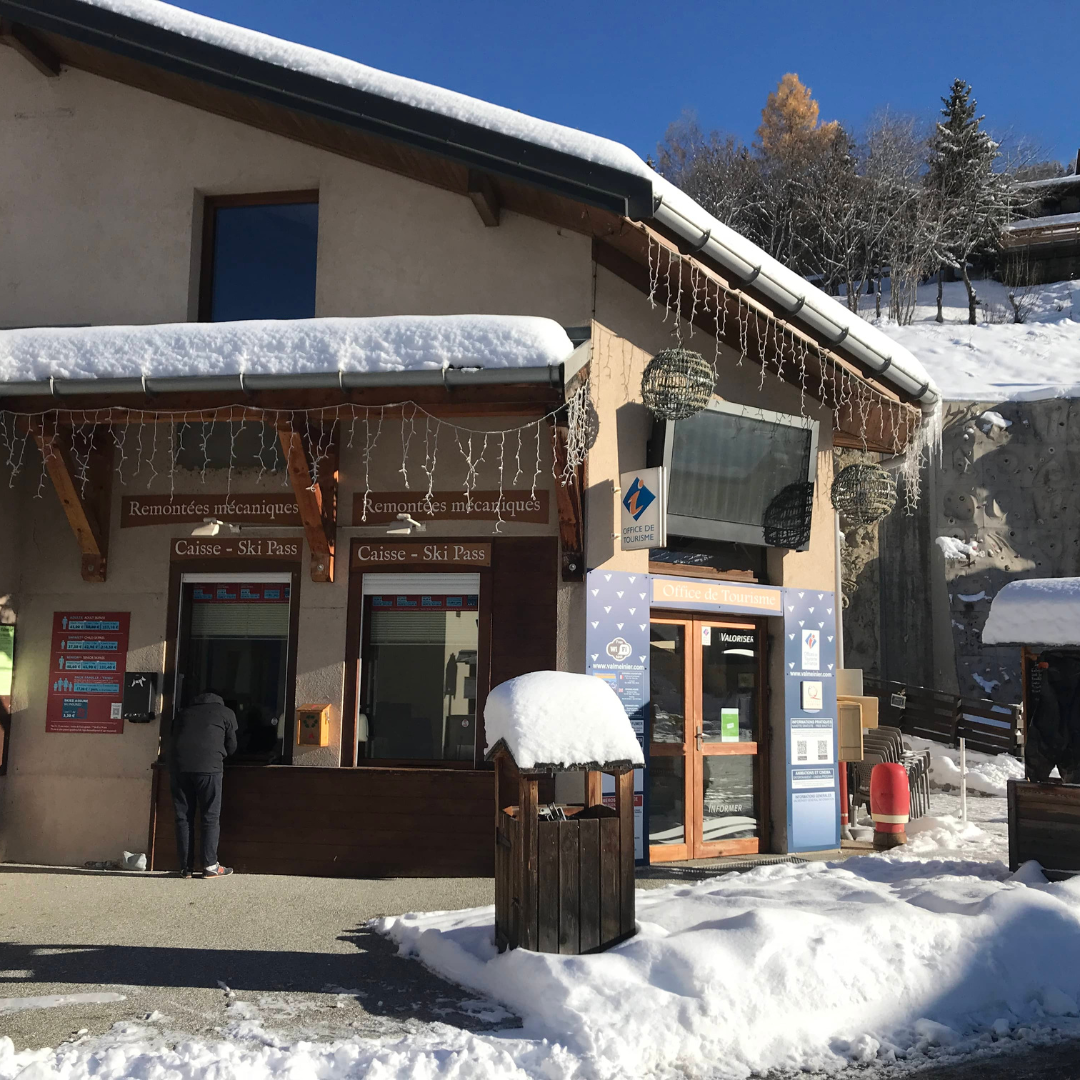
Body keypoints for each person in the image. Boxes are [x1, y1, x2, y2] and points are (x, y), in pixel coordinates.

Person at [169, 691, 238, 878]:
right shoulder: (226, 713)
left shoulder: (183, 713)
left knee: (183, 817)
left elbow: (172, 737)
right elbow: (232, 747)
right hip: (209, 769)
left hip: (179, 768)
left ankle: (185, 868)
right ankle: (209, 866)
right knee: (209, 816)